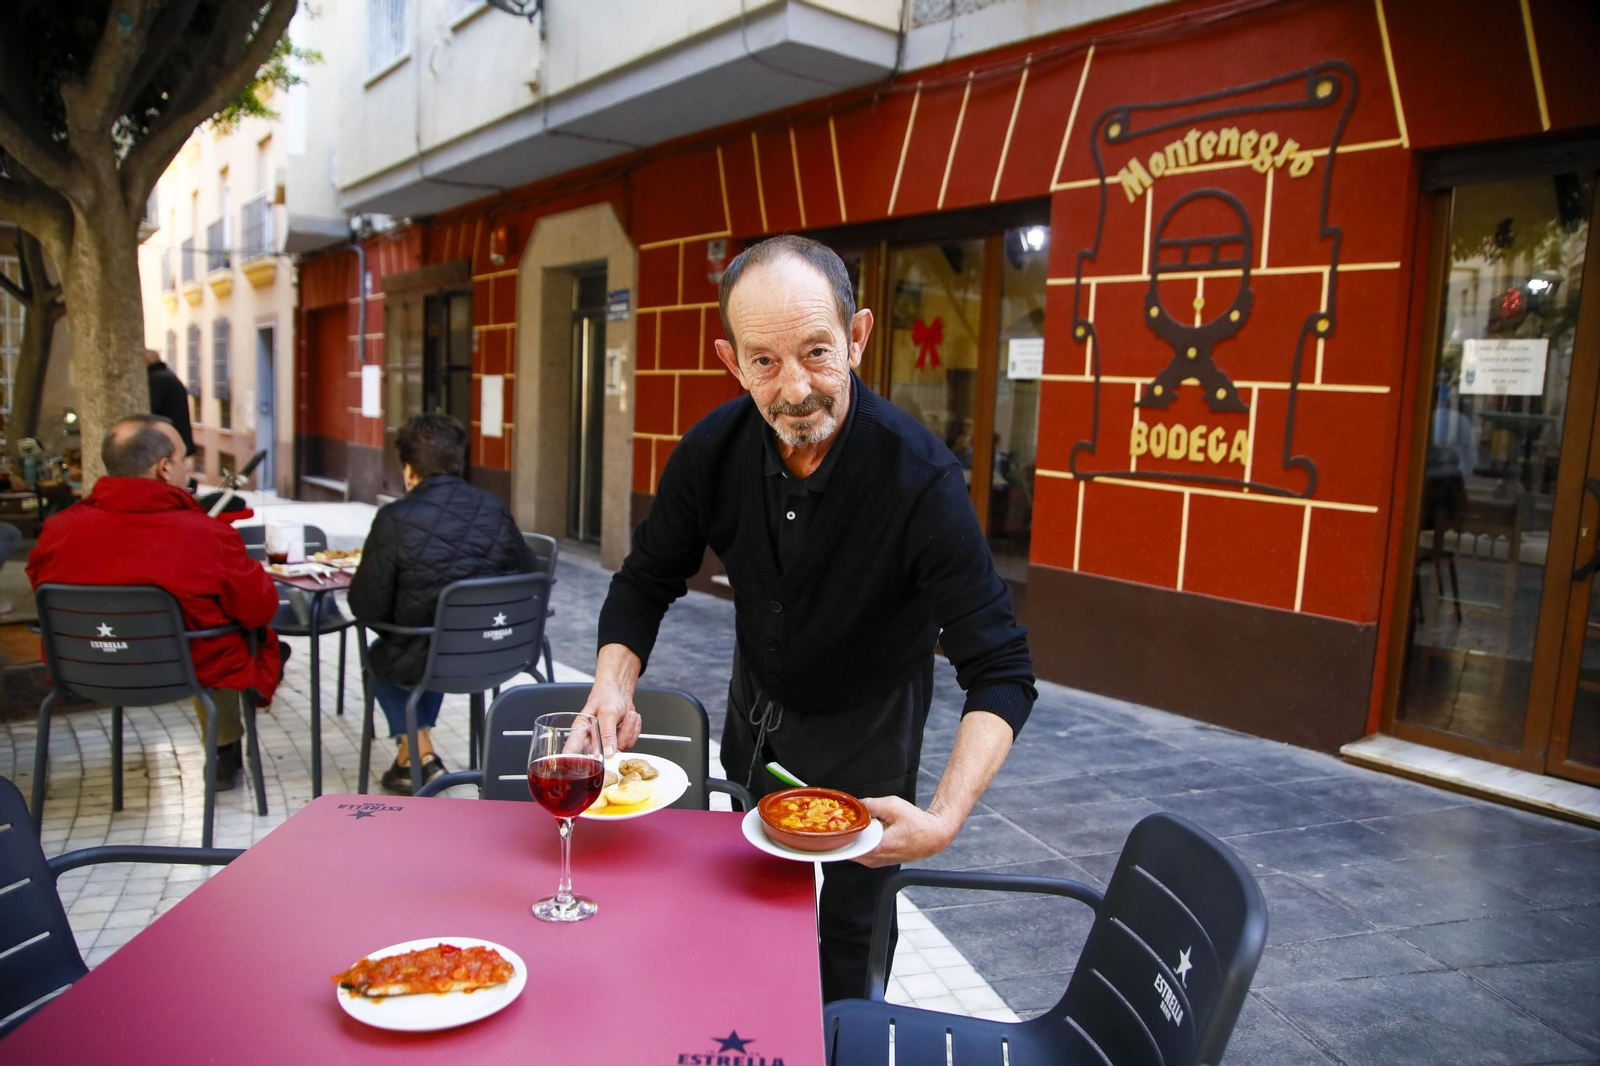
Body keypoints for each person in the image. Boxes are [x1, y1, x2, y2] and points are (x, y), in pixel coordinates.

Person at [586, 235, 1036, 1003]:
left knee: (852, 948)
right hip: (756, 717)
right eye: (764, 362)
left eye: (818, 353)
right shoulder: (711, 453)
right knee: (755, 915)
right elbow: (644, 580)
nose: (795, 389)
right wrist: (609, 687)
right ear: (732, 362)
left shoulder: (919, 477)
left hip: (871, 730)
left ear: (857, 337)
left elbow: (1000, 670)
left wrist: (944, 817)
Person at [26, 414, 283, 789]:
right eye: (184, 459)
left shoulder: (58, 530)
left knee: (207, 627)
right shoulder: (205, 535)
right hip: (183, 673)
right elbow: (260, 608)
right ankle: (225, 753)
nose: (188, 467)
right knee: (225, 633)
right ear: (164, 468)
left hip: (83, 667)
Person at [348, 413, 536, 794]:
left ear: (408, 469)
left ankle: (415, 758)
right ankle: (415, 755)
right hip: (502, 651)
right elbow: (529, 574)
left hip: (436, 657)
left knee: (387, 654)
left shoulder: (394, 518)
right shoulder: (494, 507)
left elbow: (366, 606)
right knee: (427, 644)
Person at [145, 348, 195, 460]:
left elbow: (150, 408)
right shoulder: (166, 375)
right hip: (177, 440)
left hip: (169, 443)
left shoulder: (157, 379)